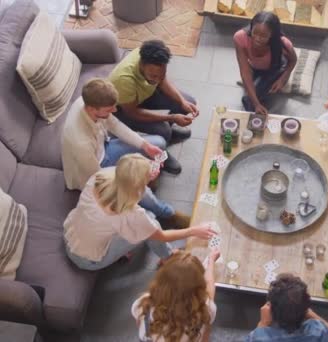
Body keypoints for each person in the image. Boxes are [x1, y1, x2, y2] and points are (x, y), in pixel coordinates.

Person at [61, 79, 189, 229]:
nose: (114, 111)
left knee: (157, 143)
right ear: (91, 109)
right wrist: (141, 174)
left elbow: (114, 125)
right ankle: (168, 215)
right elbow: (98, 177)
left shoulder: (87, 101)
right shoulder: (80, 142)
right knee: (139, 188)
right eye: (109, 109)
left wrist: (145, 145)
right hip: (95, 173)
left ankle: (147, 180)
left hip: (104, 148)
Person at [64, 154, 217, 271]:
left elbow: (128, 184)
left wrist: (145, 176)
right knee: (152, 222)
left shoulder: (100, 176)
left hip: (69, 236)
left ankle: (165, 213)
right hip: (87, 260)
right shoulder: (131, 214)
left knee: (142, 218)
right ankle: (168, 257)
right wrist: (194, 231)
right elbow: (161, 236)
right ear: (137, 184)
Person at [109, 40, 200, 174]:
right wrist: (172, 117)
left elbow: (162, 81)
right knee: (163, 130)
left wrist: (182, 102)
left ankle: (168, 131)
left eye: (161, 74)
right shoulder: (124, 79)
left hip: (142, 95)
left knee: (187, 102)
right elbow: (133, 112)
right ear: (141, 64)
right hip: (124, 110)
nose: (158, 79)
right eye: (153, 76)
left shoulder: (151, 61)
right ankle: (161, 155)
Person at [132, 250, 220, 342]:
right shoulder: (206, 309)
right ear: (200, 284)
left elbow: (139, 324)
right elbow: (210, 289)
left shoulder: (143, 303)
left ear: (161, 278)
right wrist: (211, 262)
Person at [246, 273, 328, 341]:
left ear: (271, 312)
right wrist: (310, 314)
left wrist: (263, 323)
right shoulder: (317, 330)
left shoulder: (260, 337)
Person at [234, 11, 297, 115]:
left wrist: (283, 78)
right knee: (252, 99)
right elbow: (244, 71)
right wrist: (256, 104)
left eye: (263, 36)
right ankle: (259, 100)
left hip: (275, 68)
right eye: (255, 33)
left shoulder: (283, 43)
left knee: (250, 98)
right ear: (251, 28)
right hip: (255, 68)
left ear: (272, 35)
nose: (257, 39)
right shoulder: (240, 38)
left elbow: (293, 60)